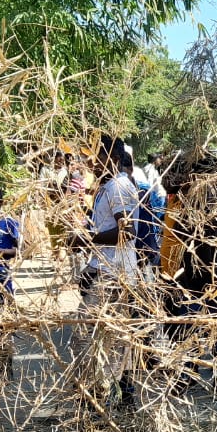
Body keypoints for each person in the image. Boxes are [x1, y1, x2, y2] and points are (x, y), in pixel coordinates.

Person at [68, 135, 141, 408]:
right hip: (105, 270)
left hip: (114, 275)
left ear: (110, 157)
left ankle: (109, 396)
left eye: (95, 156)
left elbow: (127, 232)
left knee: (94, 338)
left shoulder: (119, 186)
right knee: (107, 337)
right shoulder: (107, 186)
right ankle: (118, 395)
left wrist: (85, 240)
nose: (90, 162)